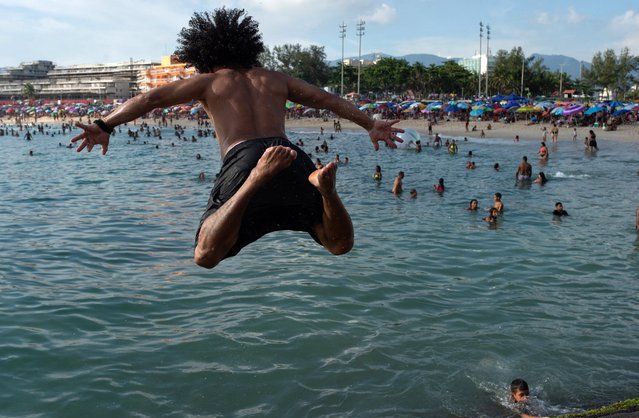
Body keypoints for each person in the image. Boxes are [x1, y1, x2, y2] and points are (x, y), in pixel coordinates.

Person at [70, 8, 403, 269]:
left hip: (246, 159)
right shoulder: (275, 78)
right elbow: (326, 99)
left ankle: (255, 180)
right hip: (290, 155)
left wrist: (105, 124)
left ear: (203, 52)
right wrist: (370, 124)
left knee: (206, 255)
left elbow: (150, 99)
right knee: (337, 244)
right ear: (249, 46)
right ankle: (326, 192)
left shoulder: (210, 81)